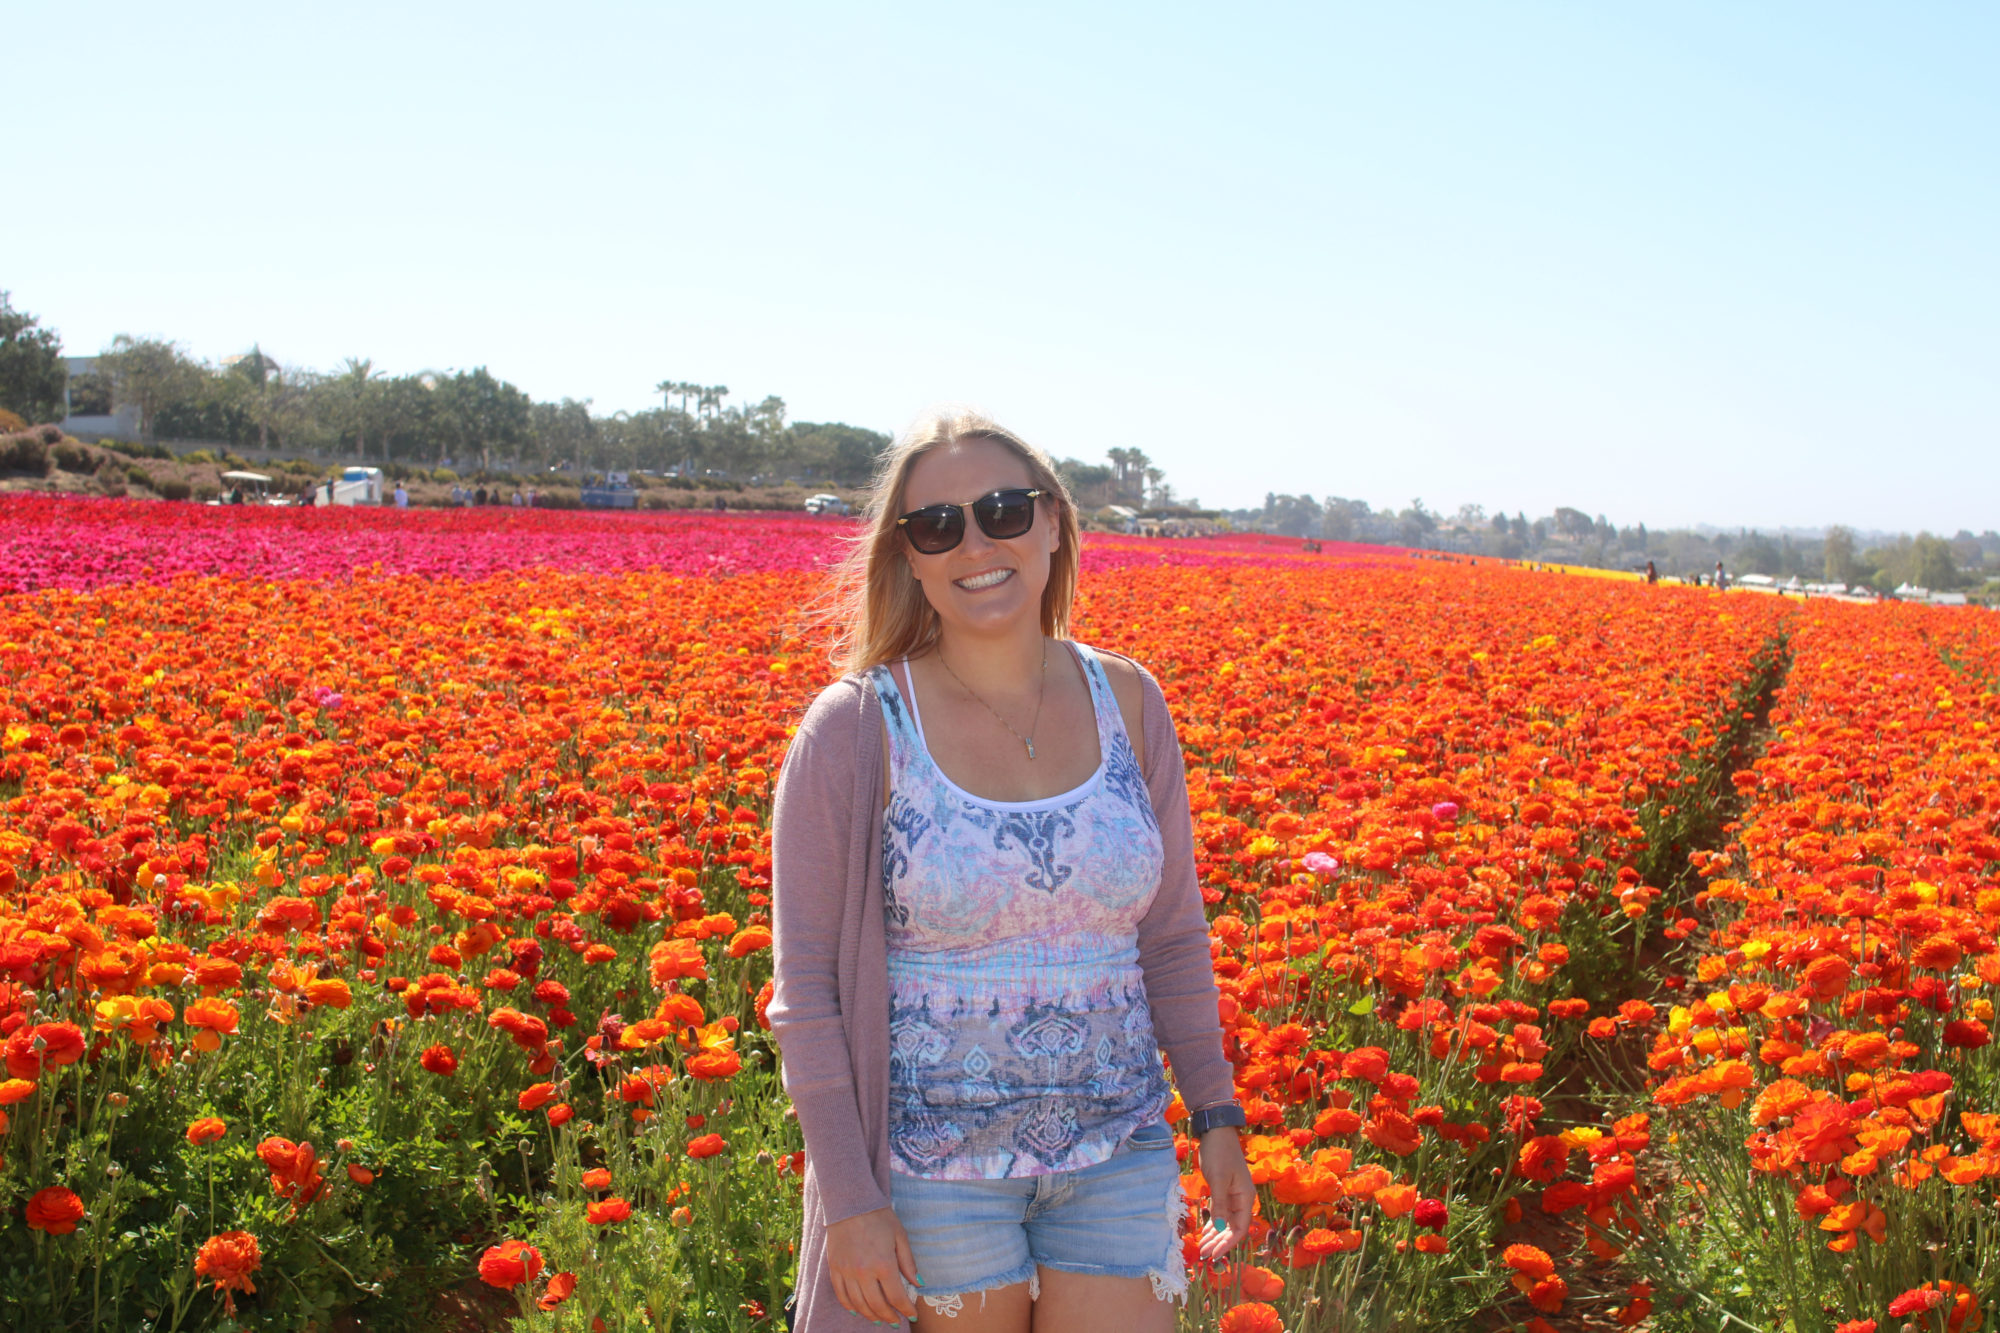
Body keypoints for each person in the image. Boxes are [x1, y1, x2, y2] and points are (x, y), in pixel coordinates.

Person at [770, 409, 1254, 1333]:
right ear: (908, 557)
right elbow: (808, 996)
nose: (975, 543)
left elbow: (1173, 934)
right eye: (938, 525)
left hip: (1120, 1150)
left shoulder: (1131, 703)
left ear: (1054, 523)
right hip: (931, 1174)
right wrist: (850, 1202)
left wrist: (1215, 1108)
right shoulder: (856, 729)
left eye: (1002, 510)